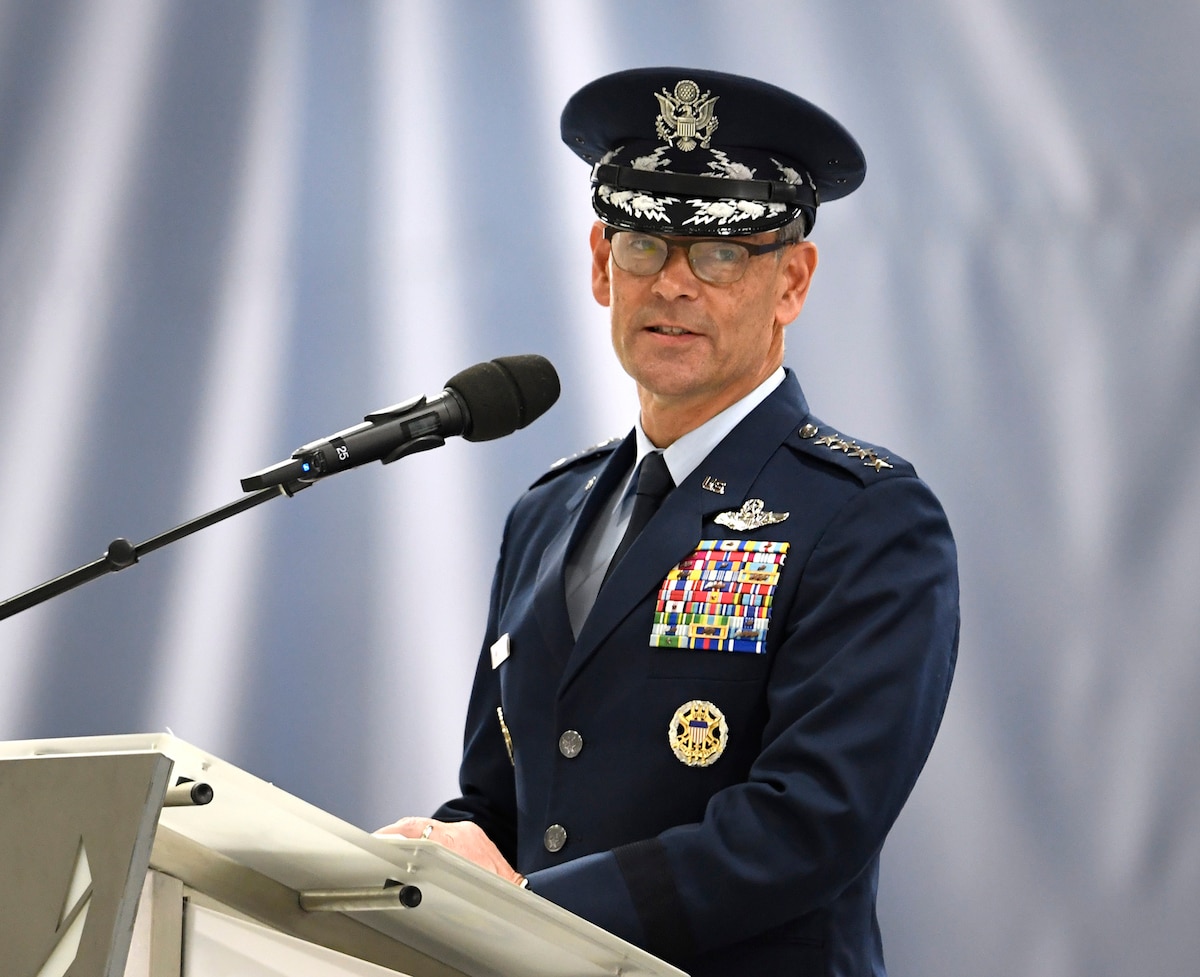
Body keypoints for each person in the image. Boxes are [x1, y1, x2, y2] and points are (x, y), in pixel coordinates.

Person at [377, 67, 960, 977]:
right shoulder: (548, 511)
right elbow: (502, 802)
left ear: (792, 282)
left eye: (721, 253)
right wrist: (417, 866)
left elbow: (808, 823)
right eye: (647, 244)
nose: (676, 284)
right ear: (602, 267)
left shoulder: (866, 516)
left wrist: (534, 913)